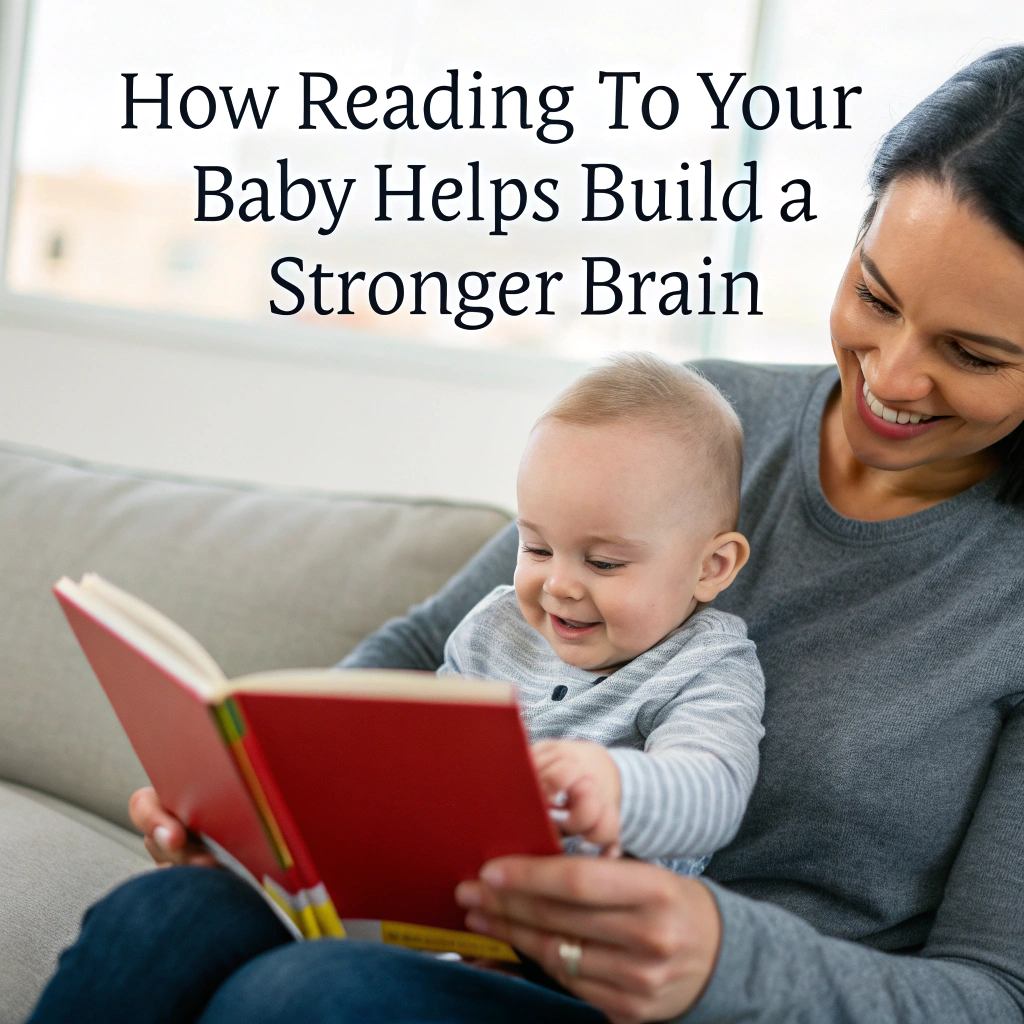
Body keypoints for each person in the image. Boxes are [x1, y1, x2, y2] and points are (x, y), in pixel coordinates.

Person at [30, 44, 1024, 1024]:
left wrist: (724, 961)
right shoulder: (701, 422)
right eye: (875, 297)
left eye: (972, 353)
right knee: (167, 911)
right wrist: (274, 807)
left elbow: (996, 991)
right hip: (480, 937)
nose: (889, 377)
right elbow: (428, 645)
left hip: (715, 1007)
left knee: (311, 996)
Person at [440, 354, 765, 870]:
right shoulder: (491, 631)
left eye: (604, 562)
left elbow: (714, 793)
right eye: (537, 548)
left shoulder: (707, 666)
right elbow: (429, 754)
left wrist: (617, 785)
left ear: (711, 566)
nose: (559, 584)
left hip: (582, 933)